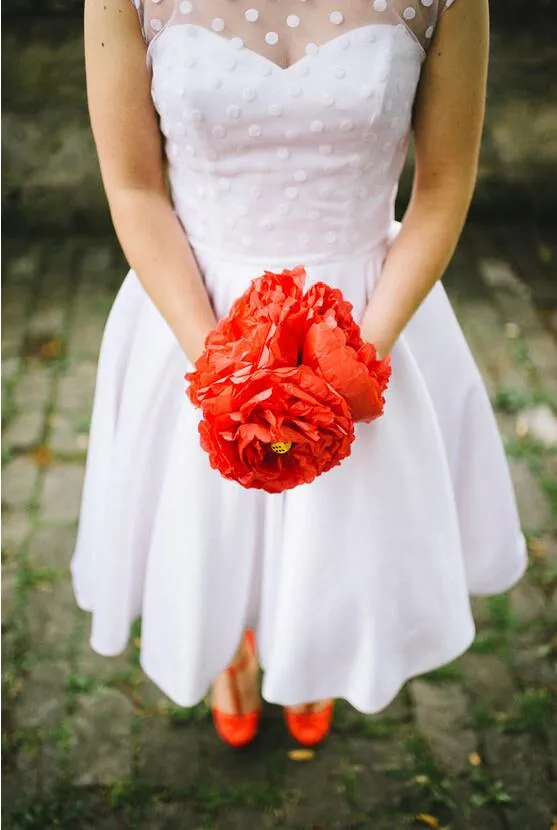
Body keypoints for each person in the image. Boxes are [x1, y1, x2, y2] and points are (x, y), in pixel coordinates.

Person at [73, 0, 526, 748]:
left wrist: (354, 362)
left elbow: (442, 189)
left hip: (365, 312)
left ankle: (309, 651)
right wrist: (224, 365)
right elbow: (134, 187)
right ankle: (237, 644)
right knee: (210, 518)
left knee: (342, 523)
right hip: (195, 307)